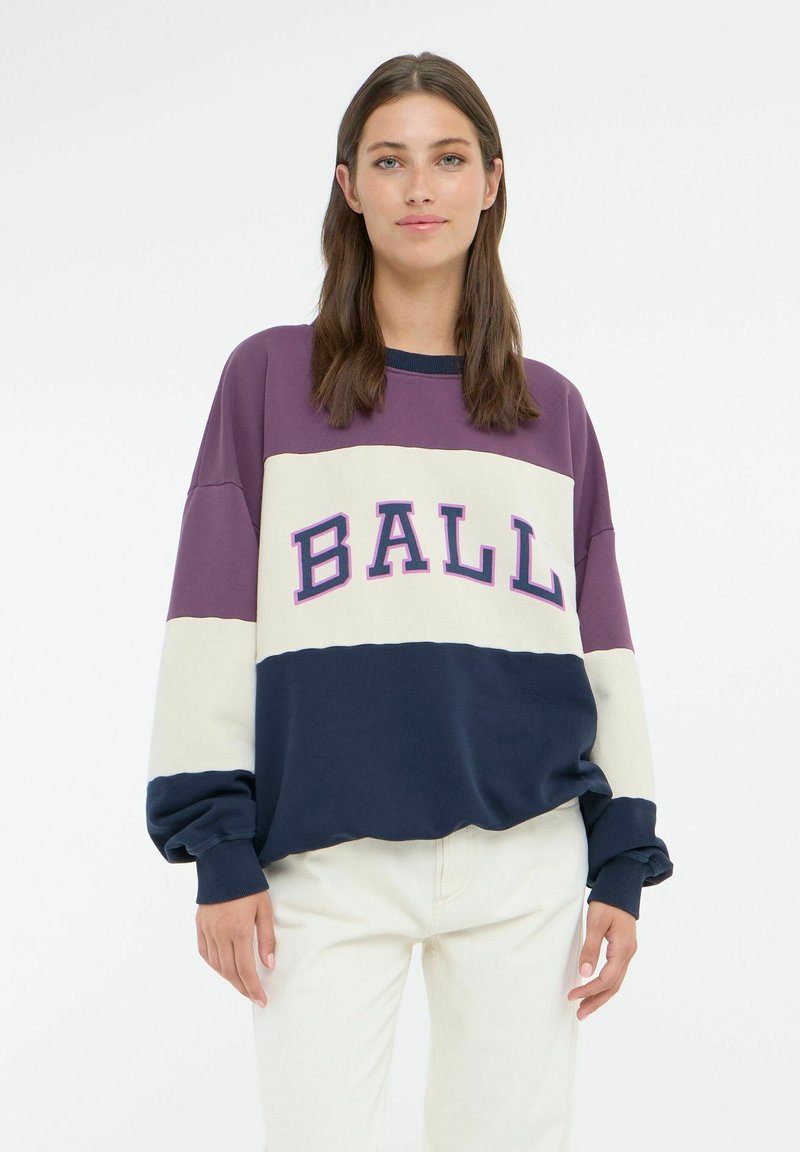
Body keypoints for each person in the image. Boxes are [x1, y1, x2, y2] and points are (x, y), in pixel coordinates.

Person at [146, 50, 674, 1152]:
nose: (419, 188)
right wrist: (216, 844)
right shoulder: (268, 382)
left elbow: (601, 640)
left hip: (525, 858)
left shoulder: (551, 412)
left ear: (491, 181)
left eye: (447, 159)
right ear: (348, 186)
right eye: (389, 161)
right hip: (324, 856)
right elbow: (210, 618)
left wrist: (621, 856)